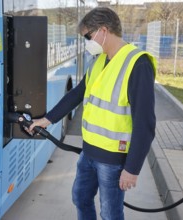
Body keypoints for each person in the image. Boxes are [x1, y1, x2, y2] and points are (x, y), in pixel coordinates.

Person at [28, 7, 157, 220]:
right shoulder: (100, 60)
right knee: (80, 198)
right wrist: (48, 119)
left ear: (103, 31)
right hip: (88, 153)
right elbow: (78, 93)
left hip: (113, 160)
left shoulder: (138, 64)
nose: (87, 42)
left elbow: (145, 124)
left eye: (88, 36)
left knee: (110, 213)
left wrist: (132, 169)